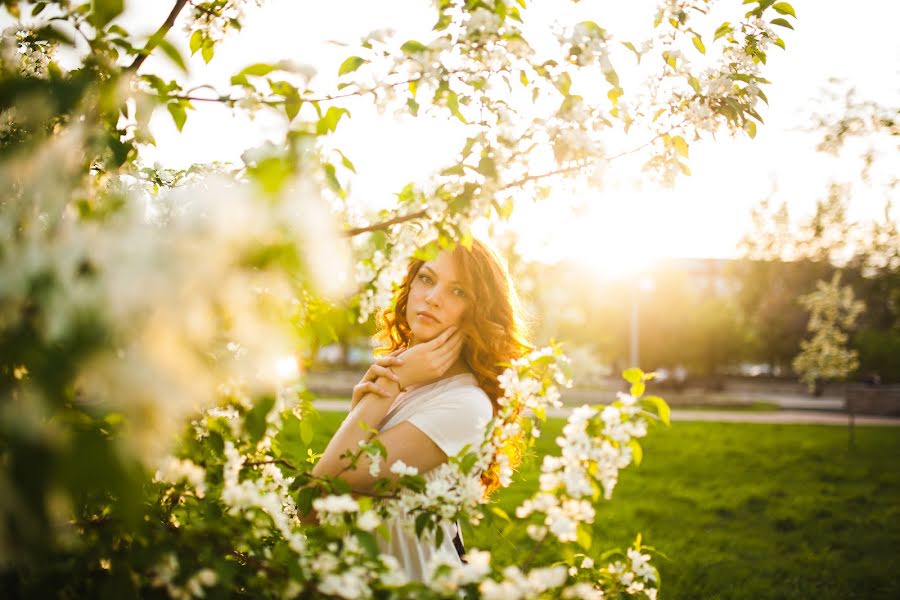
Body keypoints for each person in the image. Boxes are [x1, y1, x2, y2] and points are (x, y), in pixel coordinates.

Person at [312, 239, 530, 581]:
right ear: (410, 285)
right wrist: (377, 395)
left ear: (480, 310)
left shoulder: (465, 405)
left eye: (458, 291)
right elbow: (313, 511)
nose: (433, 298)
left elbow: (319, 489)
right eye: (427, 279)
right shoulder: (405, 380)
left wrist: (389, 383)